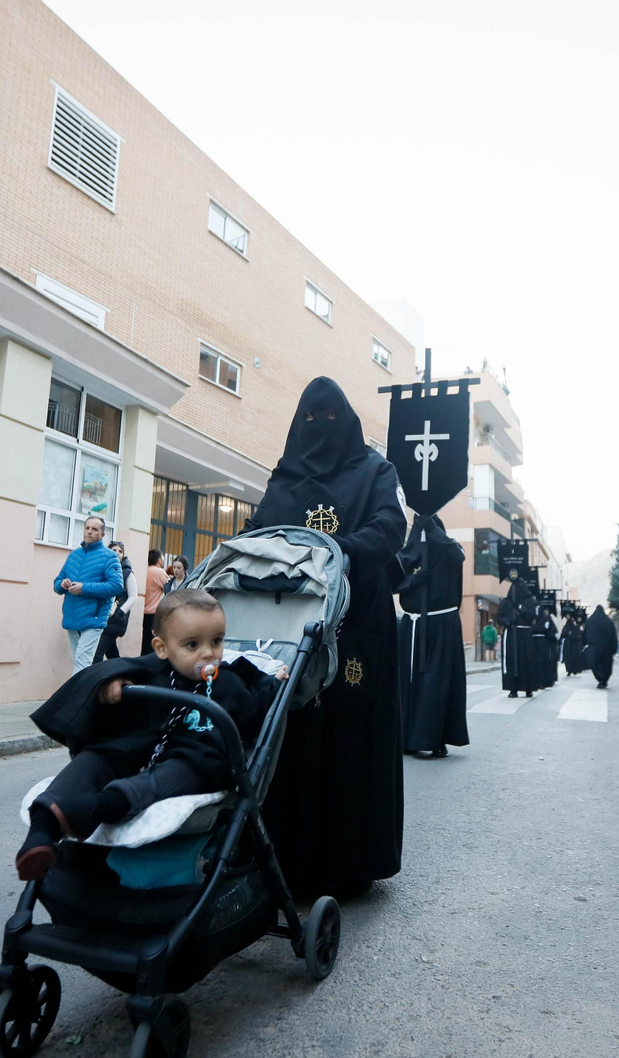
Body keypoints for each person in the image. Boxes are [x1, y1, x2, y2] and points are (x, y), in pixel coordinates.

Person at [246, 377, 407, 896]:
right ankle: (282, 858)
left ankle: (351, 861)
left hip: (357, 619)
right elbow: (257, 532)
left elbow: (388, 527)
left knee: (348, 729)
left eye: (330, 418)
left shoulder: (375, 471)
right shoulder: (285, 477)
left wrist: (336, 553)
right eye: (310, 419)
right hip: (291, 622)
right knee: (287, 731)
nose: (319, 428)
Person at [17, 589, 289, 880]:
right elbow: (111, 672)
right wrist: (111, 683)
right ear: (162, 648)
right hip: (141, 752)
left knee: (179, 771)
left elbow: (254, 715)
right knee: (98, 757)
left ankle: (96, 807)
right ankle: (42, 828)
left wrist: (274, 686)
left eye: (217, 641)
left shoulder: (231, 680)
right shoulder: (152, 671)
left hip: (192, 761)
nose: (209, 652)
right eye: (193, 644)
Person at [395, 514, 469, 758]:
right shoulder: (408, 551)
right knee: (409, 684)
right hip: (413, 625)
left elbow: (458, 556)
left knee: (437, 685)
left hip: (441, 625)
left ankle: (436, 738)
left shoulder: (448, 549)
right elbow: (393, 580)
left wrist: (433, 530)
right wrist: (414, 581)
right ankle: (407, 737)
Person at [53, 515, 125, 675]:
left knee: (82, 661)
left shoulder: (110, 556)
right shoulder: (74, 555)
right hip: (72, 617)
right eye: (87, 528)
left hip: (94, 618)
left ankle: (77, 699)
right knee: (79, 661)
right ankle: (88, 695)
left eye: (95, 529)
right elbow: (57, 584)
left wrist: (84, 588)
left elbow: (116, 586)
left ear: (102, 535)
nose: (90, 532)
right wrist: (62, 584)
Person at [93, 540, 136, 662]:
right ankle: (123, 676)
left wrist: (120, 612)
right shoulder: (103, 570)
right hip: (103, 616)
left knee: (97, 654)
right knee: (112, 654)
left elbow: (133, 596)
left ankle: (96, 680)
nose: (117, 553)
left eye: (120, 551)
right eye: (114, 550)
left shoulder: (127, 573)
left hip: (115, 619)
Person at [498, 578, 539, 699]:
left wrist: (520, 607)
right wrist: (509, 622)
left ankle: (528, 688)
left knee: (527, 660)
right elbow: (500, 617)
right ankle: (513, 688)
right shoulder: (506, 602)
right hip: (511, 633)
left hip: (525, 634)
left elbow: (533, 615)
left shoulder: (531, 602)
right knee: (512, 660)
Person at [140, 549, 170, 655]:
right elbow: (170, 589)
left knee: (143, 643)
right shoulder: (159, 572)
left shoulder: (144, 570)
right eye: (162, 557)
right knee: (152, 643)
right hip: (154, 613)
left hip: (142, 612)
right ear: (159, 560)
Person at [584, 604, 616, 688]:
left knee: (596, 665)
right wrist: (614, 648)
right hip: (607, 648)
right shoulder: (608, 621)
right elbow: (613, 636)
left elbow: (585, 634)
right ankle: (604, 680)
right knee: (606, 665)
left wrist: (585, 644)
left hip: (594, 648)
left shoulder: (590, 621)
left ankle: (600, 679)